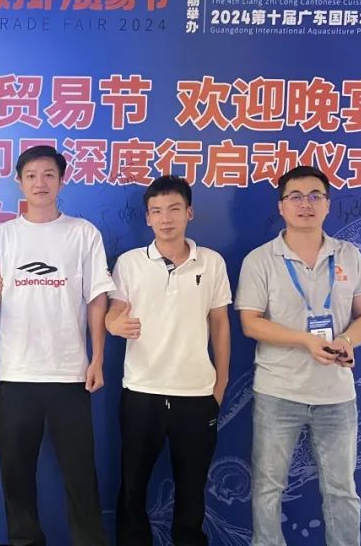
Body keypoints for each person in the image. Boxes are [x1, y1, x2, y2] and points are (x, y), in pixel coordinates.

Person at [236, 165, 361, 546]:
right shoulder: (260, 260)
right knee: (267, 487)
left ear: (328, 205)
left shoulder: (349, 256)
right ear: (281, 206)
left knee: (342, 491)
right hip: (278, 391)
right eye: (295, 197)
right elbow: (250, 323)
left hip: (337, 395)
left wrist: (347, 340)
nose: (306, 204)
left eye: (315, 196)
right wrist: (305, 341)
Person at [0, 145, 114, 546]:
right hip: (17, 374)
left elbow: (97, 299)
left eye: (49, 175)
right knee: (16, 473)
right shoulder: (2, 236)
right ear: (18, 182)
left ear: (62, 180)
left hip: (69, 373)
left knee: (80, 475)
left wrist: (97, 357)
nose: (40, 183)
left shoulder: (83, 233)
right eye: (32, 175)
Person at [106, 175, 231, 546]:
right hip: (141, 392)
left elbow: (220, 324)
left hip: (197, 394)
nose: (166, 218)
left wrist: (221, 383)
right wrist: (114, 325)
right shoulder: (130, 263)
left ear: (189, 212)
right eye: (157, 211)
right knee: (132, 487)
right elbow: (113, 313)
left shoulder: (211, 262)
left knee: (192, 491)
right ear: (147, 218)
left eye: (174, 209)